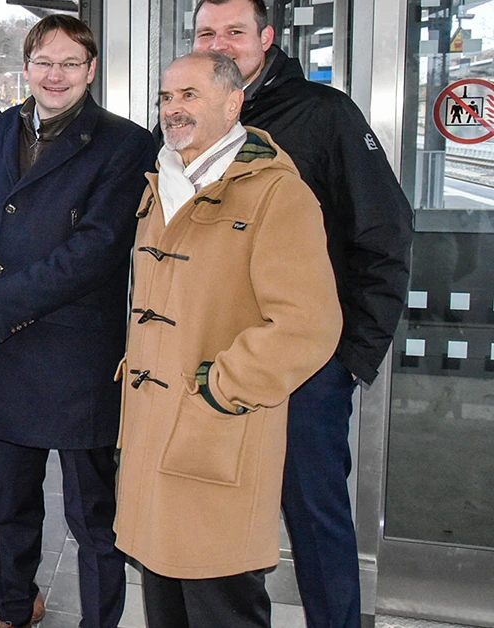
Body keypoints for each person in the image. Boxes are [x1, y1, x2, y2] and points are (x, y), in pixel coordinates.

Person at [0, 15, 155, 628]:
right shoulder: (4, 129)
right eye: (43, 63)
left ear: (91, 70)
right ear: (25, 68)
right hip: (8, 353)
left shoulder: (125, 143)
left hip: (76, 357)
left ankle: (100, 619)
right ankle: (12, 606)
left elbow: (94, 252)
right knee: (14, 502)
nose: (55, 76)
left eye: (70, 64)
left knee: (92, 516)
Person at [191, 2, 413, 625]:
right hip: (215, 358)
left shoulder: (324, 113)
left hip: (305, 367)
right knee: (225, 515)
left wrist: (351, 357)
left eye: (235, 31)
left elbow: (385, 233)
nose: (220, 44)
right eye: (207, 32)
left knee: (315, 518)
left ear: (266, 37)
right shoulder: (191, 118)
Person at [116, 50, 343, 628]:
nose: (173, 109)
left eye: (189, 95)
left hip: (217, 433)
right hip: (153, 434)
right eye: (166, 97)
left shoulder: (275, 193)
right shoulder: (161, 184)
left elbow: (307, 322)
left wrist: (219, 387)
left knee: (222, 607)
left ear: (234, 101)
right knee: (164, 602)